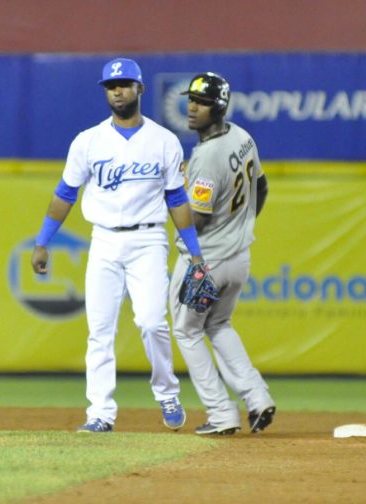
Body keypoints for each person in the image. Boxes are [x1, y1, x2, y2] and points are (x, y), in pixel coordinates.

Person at [31, 58, 204, 433]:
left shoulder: (164, 140)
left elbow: (177, 199)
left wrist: (194, 250)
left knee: (152, 322)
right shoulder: (88, 141)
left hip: (148, 239)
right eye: (111, 86)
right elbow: (65, 194)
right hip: (104, 240)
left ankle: (167, 392)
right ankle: (100, 413)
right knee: (100, 331)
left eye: (124, 84)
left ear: (140, 88)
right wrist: (43, 241)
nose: (118, 91)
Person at [169, 72, 276, 435]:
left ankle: (221, 413)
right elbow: (262, 187)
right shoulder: (243, 137)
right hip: (238, 258)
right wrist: (239, 227)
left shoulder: (207, 156)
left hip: (206, 261)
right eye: (191, 100)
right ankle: (258, 397)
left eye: (201, 102)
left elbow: (196, 220)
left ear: (219, 107)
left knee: (187, 331)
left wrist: (170, 197)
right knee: (218, 325)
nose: (192, 107)